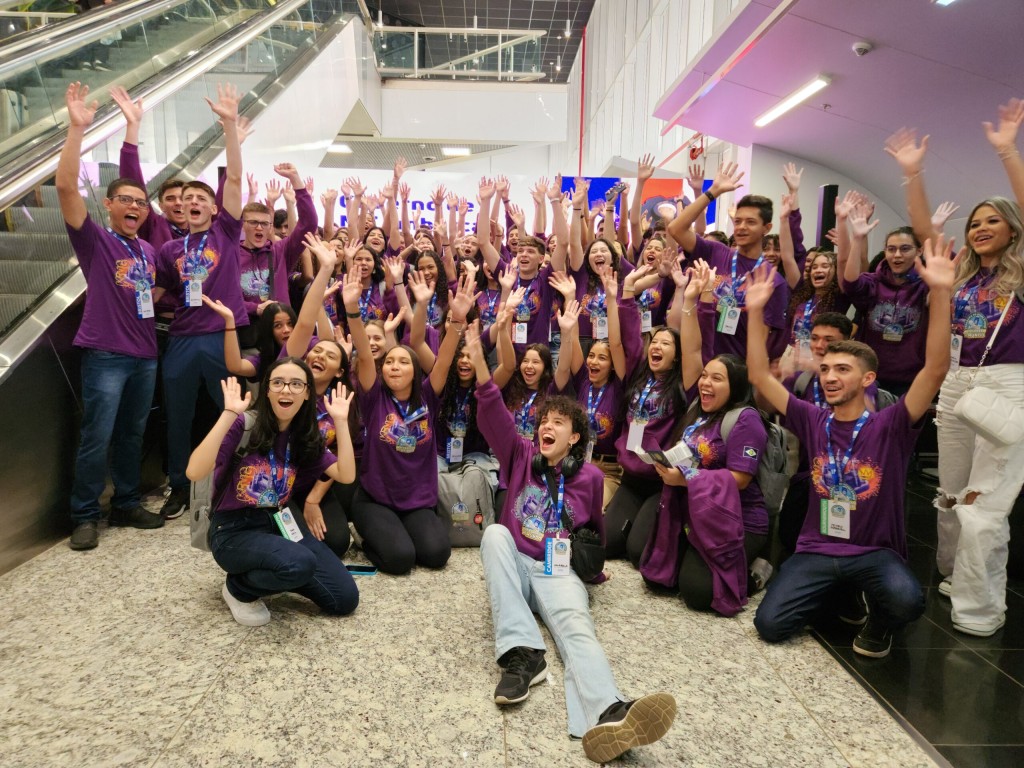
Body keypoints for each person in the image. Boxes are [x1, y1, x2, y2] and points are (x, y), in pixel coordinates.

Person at [466, 325, 677, 764]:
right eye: (544, 421)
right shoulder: (520, 454)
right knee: (495, 533)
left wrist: (593, 573)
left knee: (578, 629)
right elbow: (492, 413)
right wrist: (481, 364)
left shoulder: (592, 478)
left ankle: (608, 712)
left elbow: (594, 531)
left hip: (556, 570)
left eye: (558, 423)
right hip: (516, 563)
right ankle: (523, 655)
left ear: (575, 437)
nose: (547, 426)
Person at [747, 230, 954, 657]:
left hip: (874, 552)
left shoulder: (891, 423)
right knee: (770, 625)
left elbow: (935, 368)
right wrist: (753, 314)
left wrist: (940, 293)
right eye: (825, 369)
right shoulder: (812, 418)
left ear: (868, 378)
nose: (829, 376)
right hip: (818, 548)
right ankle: (840, 595)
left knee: (906, 601)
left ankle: (876, 621)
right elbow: (759, 377)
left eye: (842, 369)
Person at [887, 99, 1024, 637]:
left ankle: (979, 610)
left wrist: (1008, 151)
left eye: (994, 220)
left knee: (984, 505)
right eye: (975, 222)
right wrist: (912, 173)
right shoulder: (962, 274)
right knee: (950, 494)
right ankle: (952, 577)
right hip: (956, 382)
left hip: (1006, 385)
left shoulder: (1020, 273)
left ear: (1014, 228)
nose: (981, 228)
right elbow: (927, 235)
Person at [57, 82, 164, 550]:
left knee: (132, 434)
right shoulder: (96, 241)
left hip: (145, 354)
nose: (135, 207)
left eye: (141, 203)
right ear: (109, 204)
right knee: (96, 436)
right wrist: (76, 130)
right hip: (105, 354)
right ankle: (84, 514)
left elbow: (151, 290)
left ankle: (125, 503)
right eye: (126, 200)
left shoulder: (147, 251)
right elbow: (65, 187)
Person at [185, 362, 359, 626]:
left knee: (344, 599)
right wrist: (228, 414)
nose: (286, 390)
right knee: (299, 562)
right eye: (277, 382)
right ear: (267, 390)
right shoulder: (244, 425)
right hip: (234, 529)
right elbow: (194, 471)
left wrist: (341, 422)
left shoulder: (303, 435)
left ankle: (285, 569)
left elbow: (345, 475)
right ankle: (239, 589)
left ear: (307, 393)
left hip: (280, 521)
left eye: (296, 384)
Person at [641, 261, 768, 615]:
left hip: (735, 517)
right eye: (705, 377)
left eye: (717, 379)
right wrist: (691, 299)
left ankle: (758, 571)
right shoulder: (699, 405)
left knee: (696, 593)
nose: (706, 383)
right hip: (693, 507)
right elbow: (695, 350)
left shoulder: (745, 420)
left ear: (736, 387)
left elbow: (740, 479)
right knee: (652, 572)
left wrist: (685, 478)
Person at [153, 83, 247, 520]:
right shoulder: (169, 250)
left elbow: (235, 181)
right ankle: (178, 485)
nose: (192, 203)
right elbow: (160, 291)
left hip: (221, 338)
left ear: (213, 209)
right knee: (178, 417)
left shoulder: (226, 233)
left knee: (232, 411)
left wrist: (229, 125)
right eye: (186, 199)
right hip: (182, 340)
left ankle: (231, 481)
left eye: (201, 199)